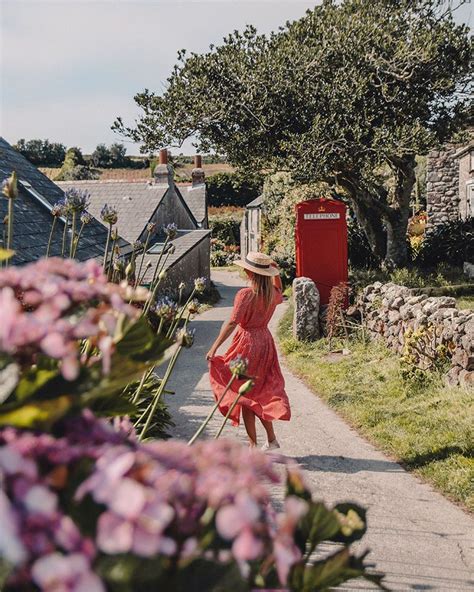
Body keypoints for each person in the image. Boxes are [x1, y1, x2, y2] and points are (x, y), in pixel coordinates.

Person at [206, 251, 291, 449]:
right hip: (265, 343)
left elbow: (232, 322)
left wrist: (214, 346)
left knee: (245, 396)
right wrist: (276, 273)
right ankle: (271, 440)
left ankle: (253, 447)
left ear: (248, 271)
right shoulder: (272, 293)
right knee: (257, 392)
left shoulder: (245, 294)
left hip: (247, 345)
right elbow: (279, 287)